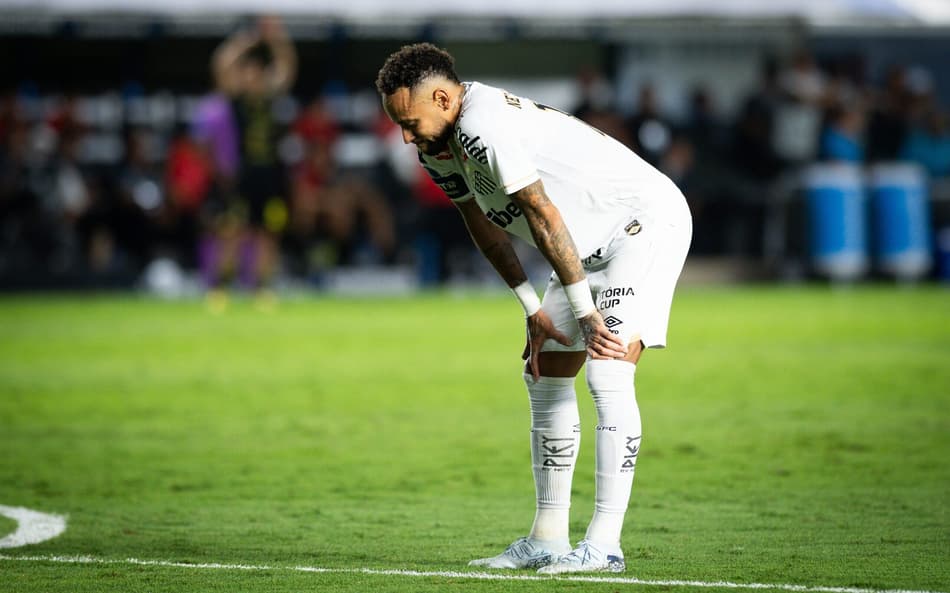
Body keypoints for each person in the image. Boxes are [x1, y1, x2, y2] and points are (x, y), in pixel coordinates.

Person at [375, 43, 691, 574]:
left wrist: (585, 312)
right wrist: (530, 306)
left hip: (642, 225)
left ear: (442, 98)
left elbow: (541, 213)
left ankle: (604, 545)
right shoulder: (438, 147)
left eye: (410, 122)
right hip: (583, 247)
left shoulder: (483, 125)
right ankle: (548, 539)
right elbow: (481, 224)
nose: (407, 137)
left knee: (607, 370)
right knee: (544, 374)